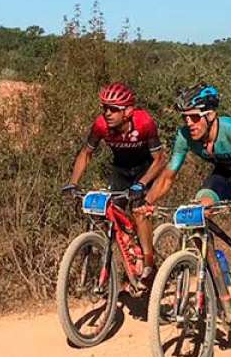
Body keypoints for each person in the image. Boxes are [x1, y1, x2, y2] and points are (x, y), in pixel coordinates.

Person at [141, 83, 231, 326]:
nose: (189, 124)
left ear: (210, 115)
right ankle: (221, 290)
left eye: (194, 117)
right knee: (196, 213)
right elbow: (167, 176)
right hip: (222, 178)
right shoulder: (185, 136)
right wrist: (147, 202)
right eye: (185, 118)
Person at [62, 82, 165, 277]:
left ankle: (149, 262)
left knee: (138, 210)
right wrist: (73, 183)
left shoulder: (144, 122)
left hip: (145, 170)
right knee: (106, 212)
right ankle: (126, 248)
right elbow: (86, 153)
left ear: (127, 111)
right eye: (104, 108)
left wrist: (142, 183)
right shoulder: (101, 125)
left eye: (113, 109)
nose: (107, 113)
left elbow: (159, 159)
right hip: (120, 170)